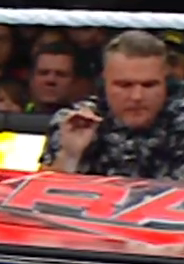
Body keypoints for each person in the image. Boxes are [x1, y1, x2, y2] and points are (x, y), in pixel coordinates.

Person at [40, 29, 184, 178]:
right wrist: (69, 155)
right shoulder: (75, 122)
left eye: (149, 85)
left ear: (167, 84)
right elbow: (43, 189)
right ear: (104, 83)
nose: (137, 96)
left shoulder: (180, 122)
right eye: (124, 85)